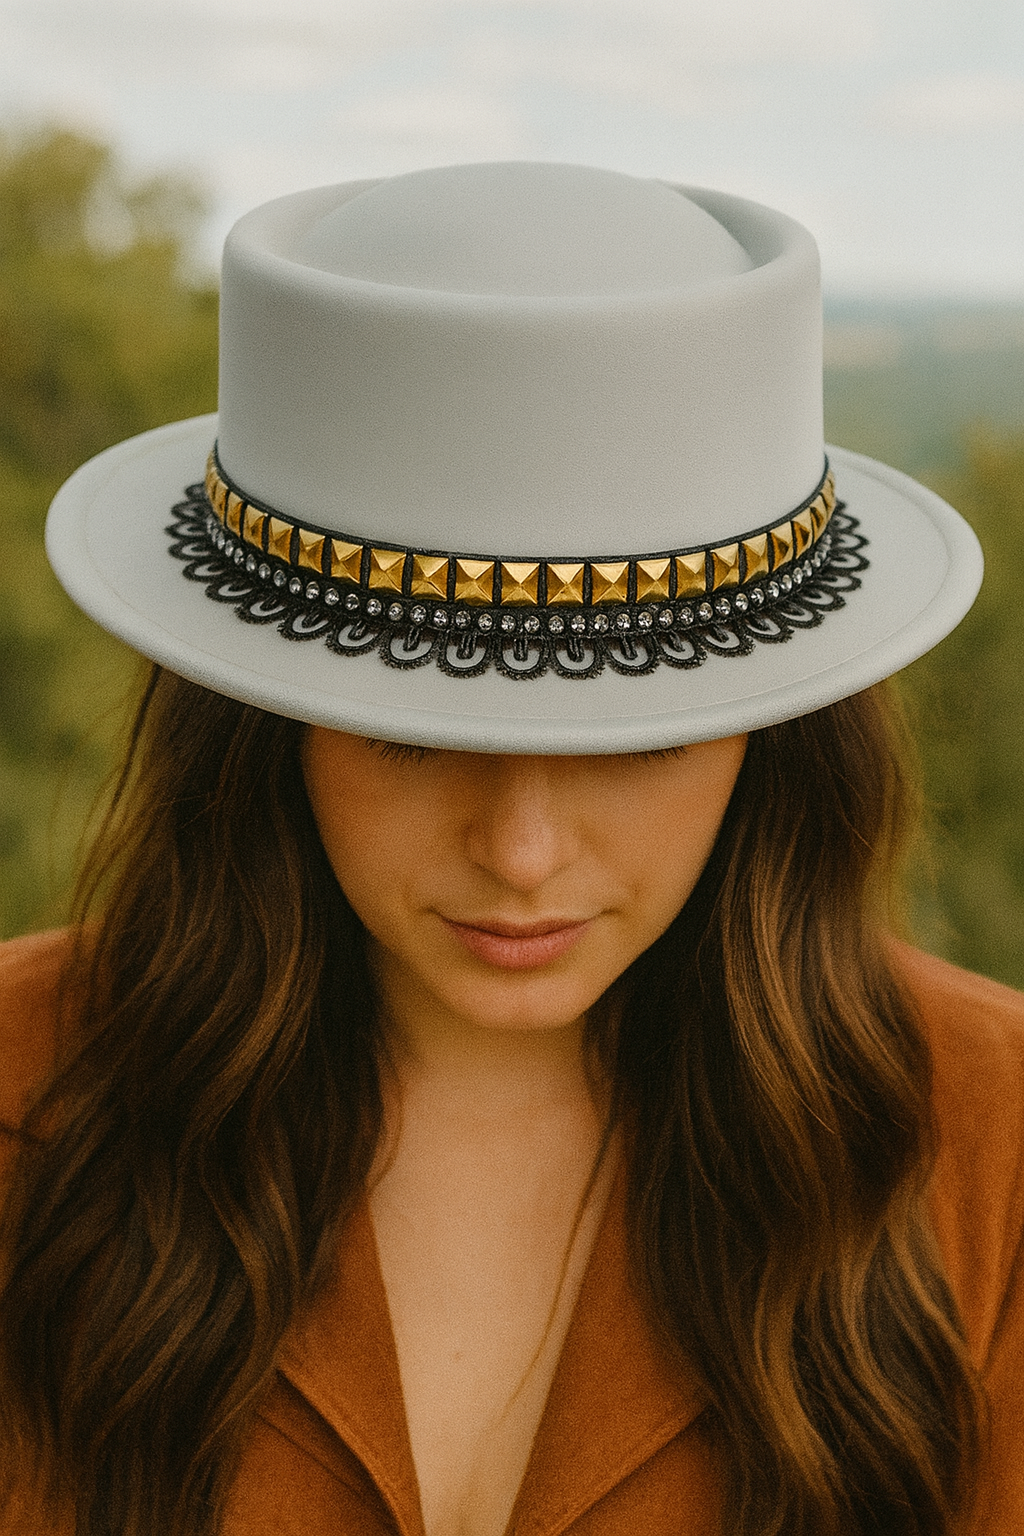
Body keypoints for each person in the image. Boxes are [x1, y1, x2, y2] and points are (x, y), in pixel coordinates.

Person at [1, 161, 1021, 1536]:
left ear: (776, 726)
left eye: (640, 736)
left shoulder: (997, 1152)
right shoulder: (20, 1104)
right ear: (266, 717)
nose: (524, 851)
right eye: (410, 734)